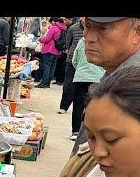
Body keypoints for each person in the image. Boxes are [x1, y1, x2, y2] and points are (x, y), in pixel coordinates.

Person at [72, 17, 140, 154]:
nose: (89, 38)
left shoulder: (131, 89)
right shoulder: (116, 76)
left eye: (103, 28)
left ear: (137, 33)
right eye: (87, 26)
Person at [68, 37, 105, 140]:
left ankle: (75, 132)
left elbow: (74, 60)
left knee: (78, 106)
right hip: (97, 79)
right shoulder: (104, 42)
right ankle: (89, 133)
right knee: (93, 107)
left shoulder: (82, 42)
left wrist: (80, 71)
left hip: (80, 78)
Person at [59, 17, 85, 114]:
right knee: (68, 85)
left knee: (82, 88)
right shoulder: (73, 28)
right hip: (71, 61)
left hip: (85, 62)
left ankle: (80, 110)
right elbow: (68, 43)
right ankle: (64, 107)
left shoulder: (92, 29)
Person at [34, 17, 67, 88]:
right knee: (52, 67)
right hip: (57, 51)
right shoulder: (63, 28)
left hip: (49, 50)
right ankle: (48, 83)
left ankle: (44, 83)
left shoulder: (54, 28)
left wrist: (40, 39)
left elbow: (47, 39)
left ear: (54, 22)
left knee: (47, 67)